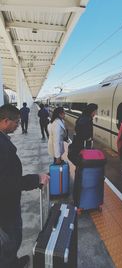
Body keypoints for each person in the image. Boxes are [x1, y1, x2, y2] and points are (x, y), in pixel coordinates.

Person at [0, 104, 49, 268]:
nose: (19, 125)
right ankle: (9, 263)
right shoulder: (2, 147)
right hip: (5, 206)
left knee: (11, 239)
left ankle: (12, 261)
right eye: (16, 122)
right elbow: (9, 182)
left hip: (6, 202)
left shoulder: (3, 140)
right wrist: (36, 179)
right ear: (5, 121)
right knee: (11, 237)